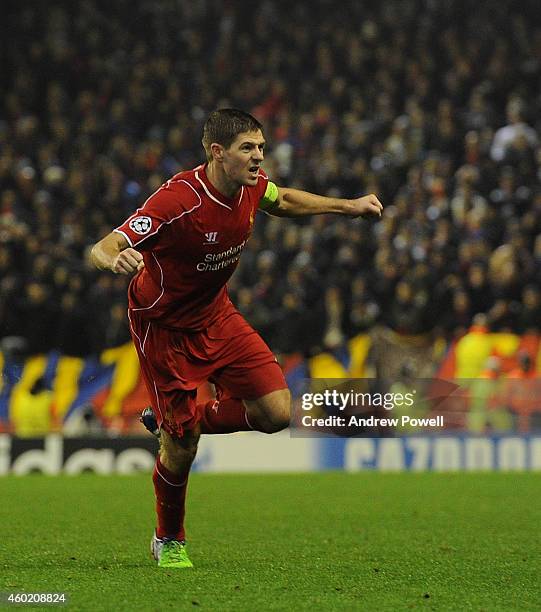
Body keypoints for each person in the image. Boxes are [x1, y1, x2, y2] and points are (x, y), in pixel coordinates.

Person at [90, 109, 383, 569]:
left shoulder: (251, 187)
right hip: (163, 327)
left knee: (276, 412)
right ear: (217, 153)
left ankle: (179, 420)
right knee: (182, 448)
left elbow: (283, 200)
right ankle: (168, 538)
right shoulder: (177, 201)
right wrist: (114, 259)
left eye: (261, 147)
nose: (258, 156)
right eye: (248, 148)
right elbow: (106, 245)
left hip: (216, 316)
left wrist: (349, 206)